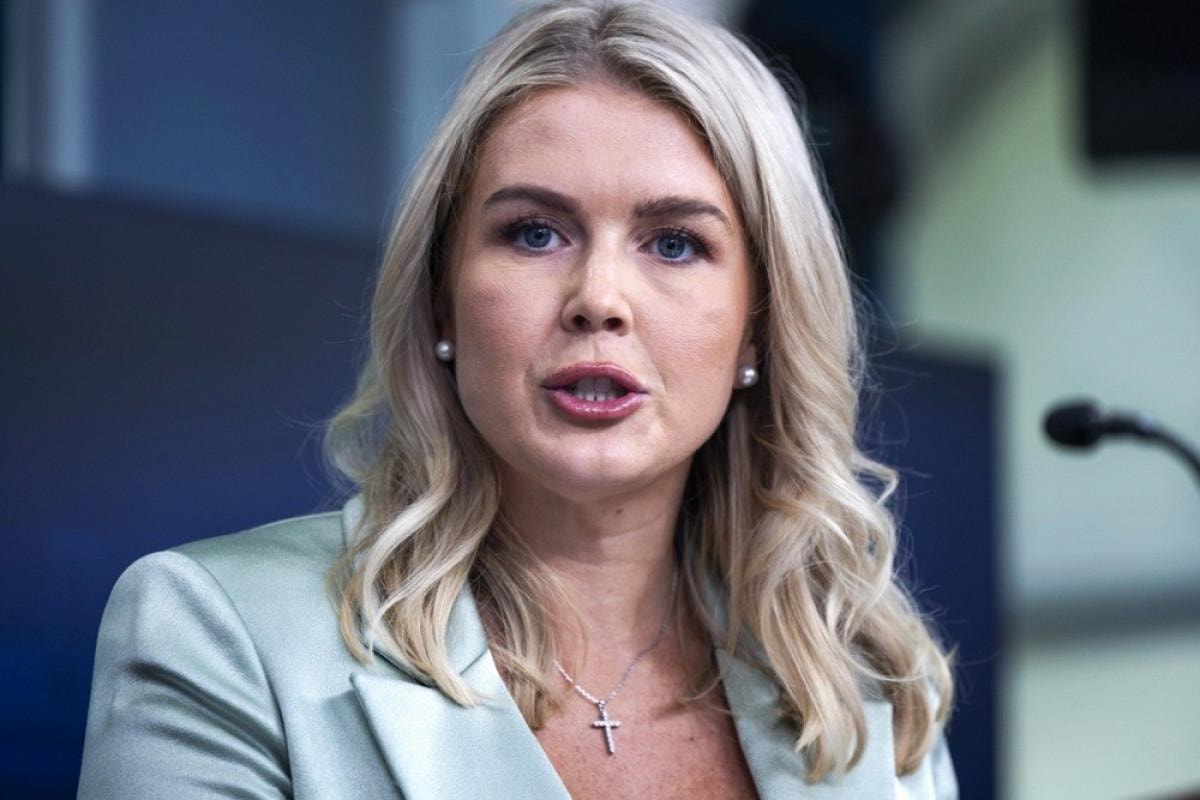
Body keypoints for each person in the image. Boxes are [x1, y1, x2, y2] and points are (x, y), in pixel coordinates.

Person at [78, 1, 957, 797]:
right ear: (440, 301)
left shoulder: (871, 691)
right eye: (535, 233)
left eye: (674, 244)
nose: (598, 298)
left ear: (758, 327)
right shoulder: (217, 632)